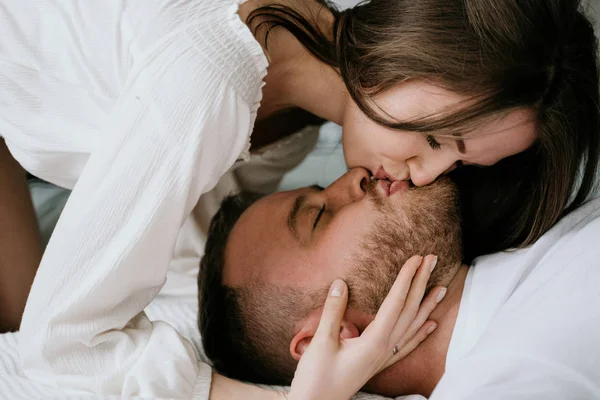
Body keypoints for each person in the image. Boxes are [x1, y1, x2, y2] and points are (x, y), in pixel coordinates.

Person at [0, 0, 598, 397]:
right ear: (411, 52)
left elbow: (200, 263)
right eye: (440, 138)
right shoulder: (206, 83)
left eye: (462, 162)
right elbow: (58, 353)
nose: (428, 174)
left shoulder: (298, 106)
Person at [199, 168, 600, 399]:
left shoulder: (534, 244)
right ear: (331, 335)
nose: (353, 176)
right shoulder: (506, 378)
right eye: (319, 217)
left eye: (323, 189)